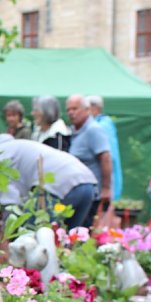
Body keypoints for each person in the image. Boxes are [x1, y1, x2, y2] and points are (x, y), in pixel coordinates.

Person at [0, 125, 98, 229]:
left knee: (32, 235)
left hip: (58, 185)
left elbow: (9, 201)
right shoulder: (10, 145)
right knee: (66, 241)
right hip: (87, 181)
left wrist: (8, 234)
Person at [65, 94, 112, 223]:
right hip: (78, 192)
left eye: (75, 109)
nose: (71, 113)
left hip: (93, 195)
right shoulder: (74, 131)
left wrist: (106, 189)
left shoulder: (94, 130)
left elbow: (106, 157)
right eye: (68, 110)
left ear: (87, 109)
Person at [86, 95, 124, 201]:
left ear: (95, 108)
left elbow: (108, 156)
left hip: (105, 183)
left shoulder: (102, 126)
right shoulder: (102, 124)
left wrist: (106, 187)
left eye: (87, 109)